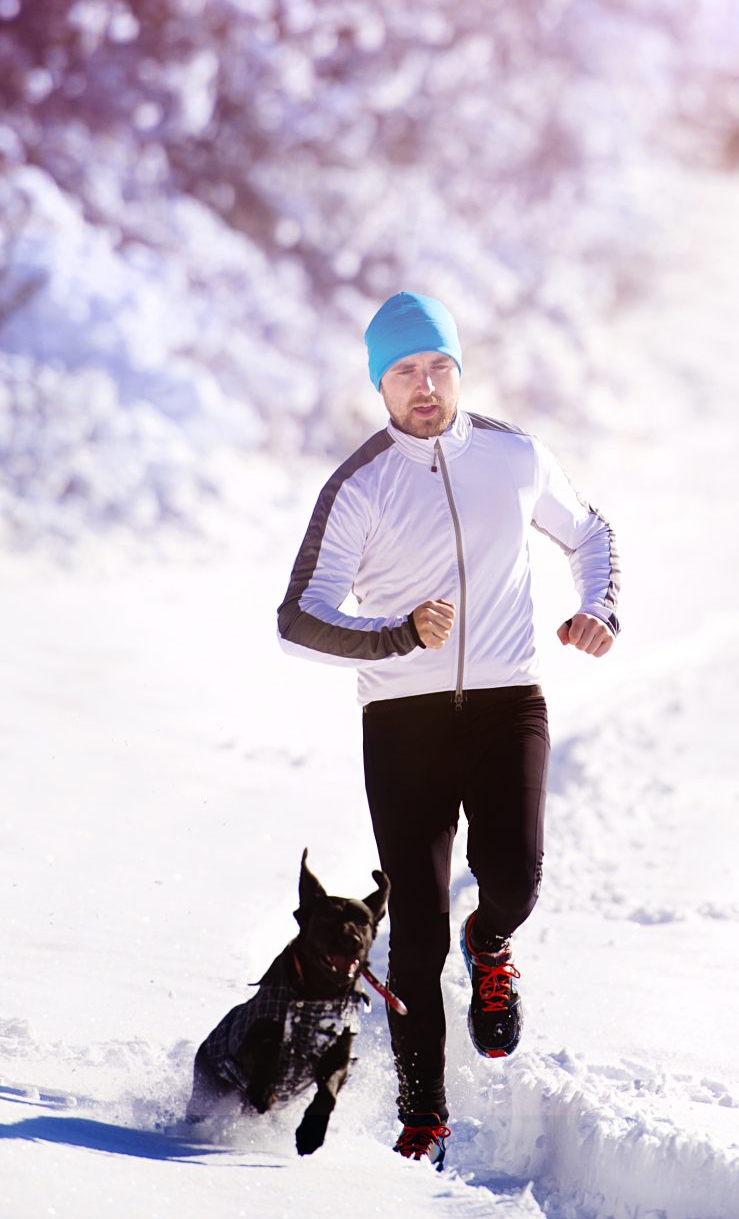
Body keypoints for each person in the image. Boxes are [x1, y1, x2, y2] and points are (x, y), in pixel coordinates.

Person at [275, 290, 622, 1169]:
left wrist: (600, 609)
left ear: (458, 371)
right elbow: (298, 617)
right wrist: (394, 637)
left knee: (516, 876)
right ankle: (423, 1111)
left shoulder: (514, 456)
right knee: (418, 929)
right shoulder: (359, 484)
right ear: (378, 388)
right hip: (403, 722)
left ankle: (493, 940)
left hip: (510, 704)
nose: (424, 387)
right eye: (403, 374)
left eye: (437, 368)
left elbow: (591, 534)